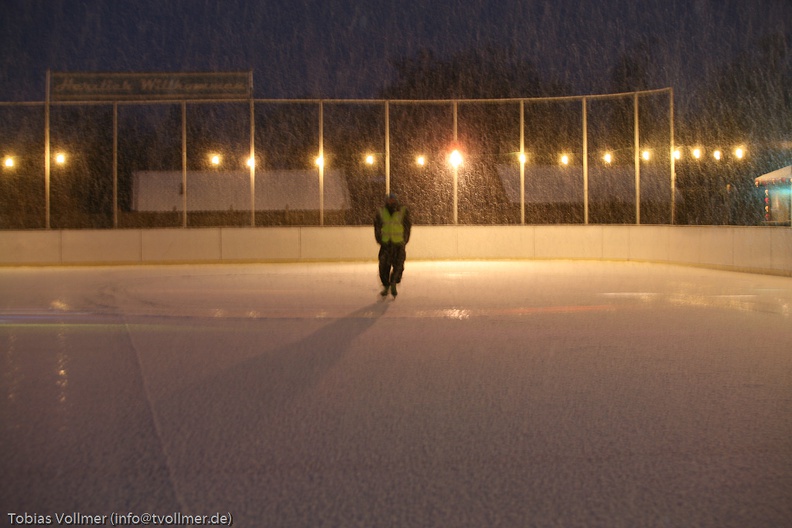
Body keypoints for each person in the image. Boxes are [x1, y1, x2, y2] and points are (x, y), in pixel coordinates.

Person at [374, 192, 411, 297]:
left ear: (396, 200)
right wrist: (379, 239)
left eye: (393, 199)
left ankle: (394, 283)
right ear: (386, 201)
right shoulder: (381, 212)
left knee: (399, 266)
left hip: (399, 244)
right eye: (389, 200)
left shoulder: (403, 211)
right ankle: (386, 286)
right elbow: (377, 226)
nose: (391, 202)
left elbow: (407, 226)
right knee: (383, 267)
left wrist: (405, 239)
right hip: (386, 244)